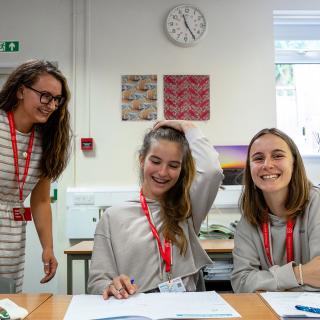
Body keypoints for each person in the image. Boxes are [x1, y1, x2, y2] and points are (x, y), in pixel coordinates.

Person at [88, 120, 223, 299]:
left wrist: (187, 126)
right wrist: (111, 285)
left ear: (181, 169)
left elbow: (212, 171)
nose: (162, 172)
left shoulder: (187, 209)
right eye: (156, 161)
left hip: (185, 309)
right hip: (137, 309)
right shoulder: (113, 217)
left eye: (173, 165)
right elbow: (97, 282)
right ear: (142, 159)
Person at [0, 59, 71, 292]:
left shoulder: (45, 141)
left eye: (56, 99)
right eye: (45, 95)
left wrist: (48, 248)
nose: (51, 105)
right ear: (21, 91)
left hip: (12, 238)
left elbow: (40, 200)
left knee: (7, 301)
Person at [231, 128, 320, 293]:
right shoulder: (249, 218)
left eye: (278, 155)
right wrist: (299, 274)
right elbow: (241, 283)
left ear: (294, 162)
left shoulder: (317, 203)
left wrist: (265, 283)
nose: (267, 165)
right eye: (258, 158)